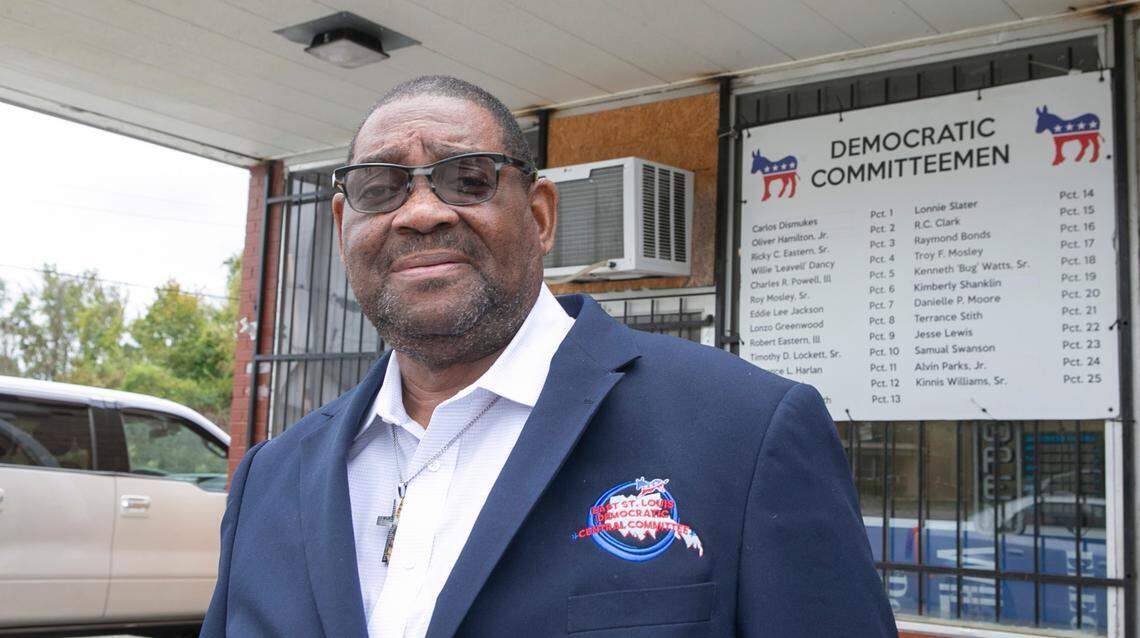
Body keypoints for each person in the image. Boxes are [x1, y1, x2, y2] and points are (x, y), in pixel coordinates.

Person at [202, 75, 898, 638]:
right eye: (379, 188)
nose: (419, 214)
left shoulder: (747, 434)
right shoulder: (270, 480)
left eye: (467, 179)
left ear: (539, 217)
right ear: (342, 223)